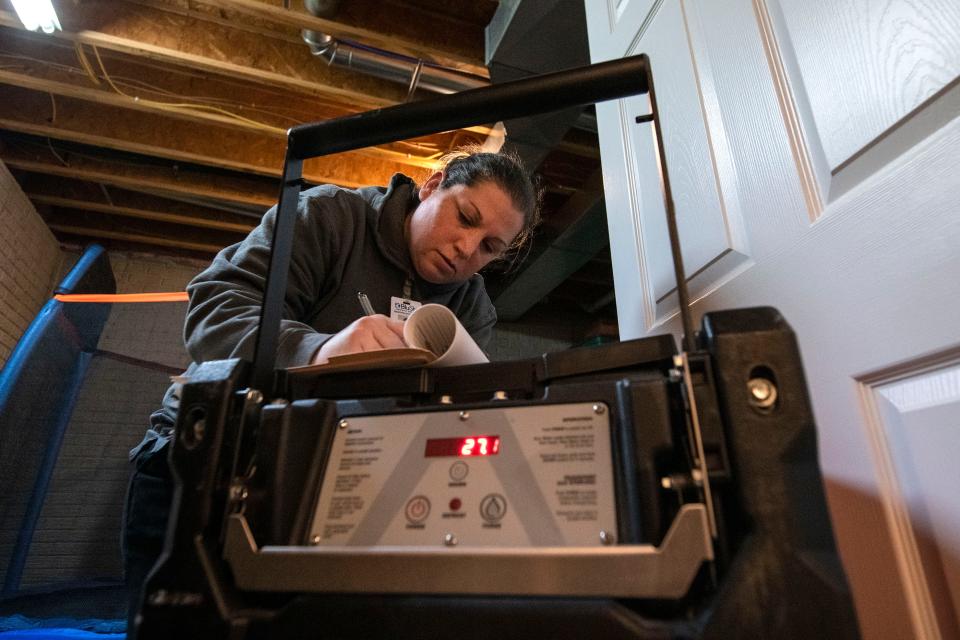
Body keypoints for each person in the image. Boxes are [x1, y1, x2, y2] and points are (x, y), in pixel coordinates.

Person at [121, 148, 539, 622]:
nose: (467, 248)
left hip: (327, 490)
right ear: (432, 185)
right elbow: (216, 311)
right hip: (207, 466)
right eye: (465, 218)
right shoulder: (329, 216)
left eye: (489, 248)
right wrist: (316, 351)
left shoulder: (473, 309)